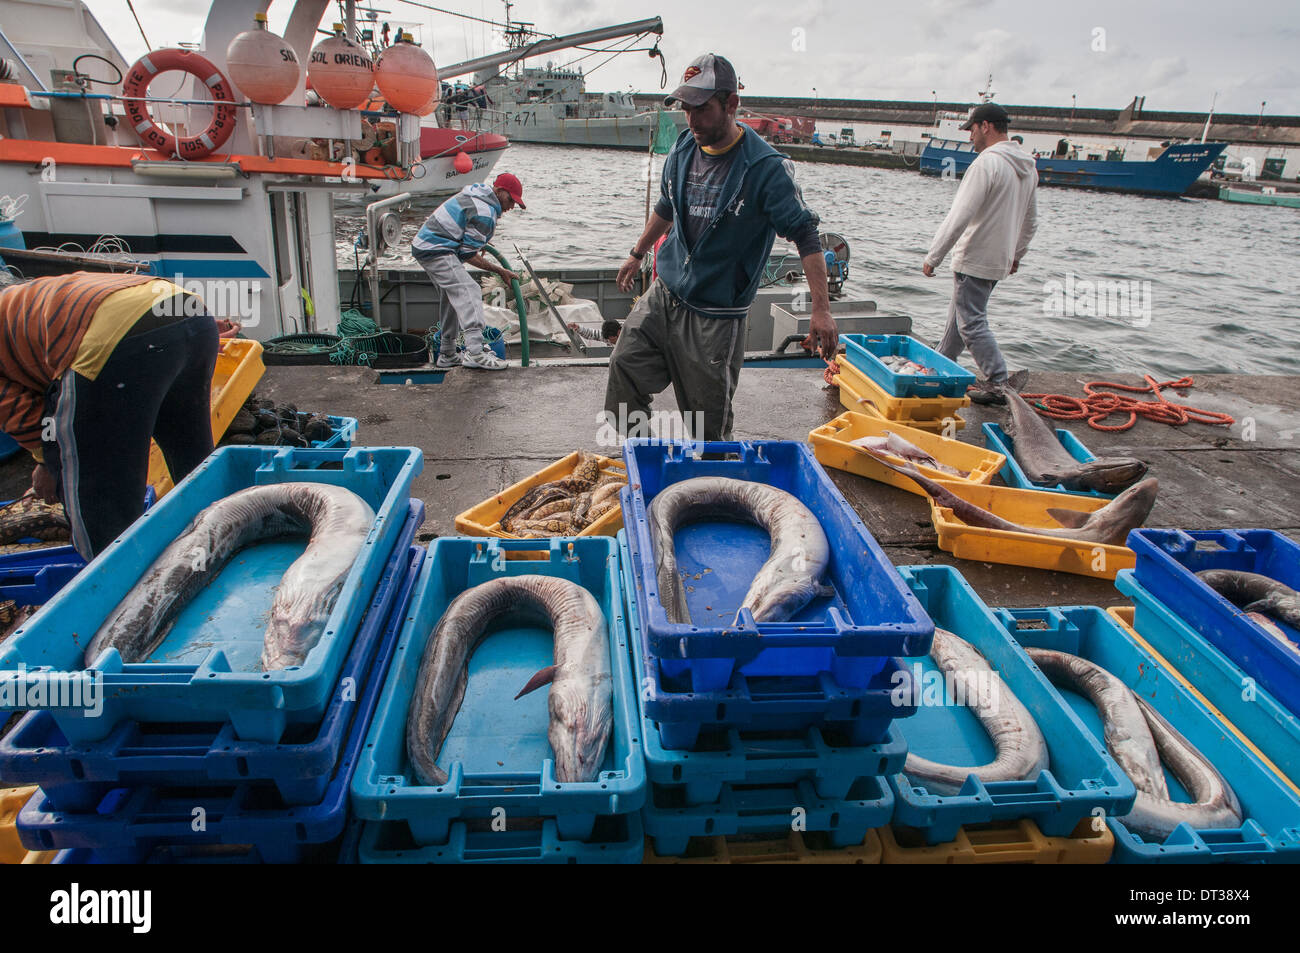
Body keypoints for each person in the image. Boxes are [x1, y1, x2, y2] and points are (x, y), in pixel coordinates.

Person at [605, 53, 837, 441]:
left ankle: (708, 488)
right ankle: (642, 460)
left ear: (731, 104)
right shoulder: (682, 149)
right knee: (623, 370)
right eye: (686, 108)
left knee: (706, 429)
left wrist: (821, 310)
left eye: (702, 108)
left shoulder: (765, 168)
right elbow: (666, 207)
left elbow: (806, 236)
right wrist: (637, 253)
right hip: (665, 295)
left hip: (715, 316)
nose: (692, 120)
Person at [0, 270, 218, 558]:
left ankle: (120, 592)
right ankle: (223, 550)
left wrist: (46, 463)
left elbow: (20, 413)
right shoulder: (15, 301)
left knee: (100, 503)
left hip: (117, 338)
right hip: (187, 312)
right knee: (194, 463)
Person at [922, 102, 1038, 404]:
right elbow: (1030, 220)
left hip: (975, 257)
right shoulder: (1027, 167)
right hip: (998, 260)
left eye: (971, 129)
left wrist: (933, 256)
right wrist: (1016, 255)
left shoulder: (987, 163)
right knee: (958, 322)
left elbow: (960, 214)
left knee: (971, 322)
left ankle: (999, 382)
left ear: (985, 126)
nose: (970, 137)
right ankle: (936, 370)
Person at [412, 172, 524, 370]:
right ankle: (475, 352)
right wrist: (500, 271)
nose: (511, 206)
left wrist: (478, 241)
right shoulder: (485, 212)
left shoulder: (476, 194)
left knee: (451, 296)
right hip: (436, 249)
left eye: (515, 203)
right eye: (510, 199)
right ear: (498, 191)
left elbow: (465, 233)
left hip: (425, 245)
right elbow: (466, 255)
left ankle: (447, 353)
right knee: (469, 289)